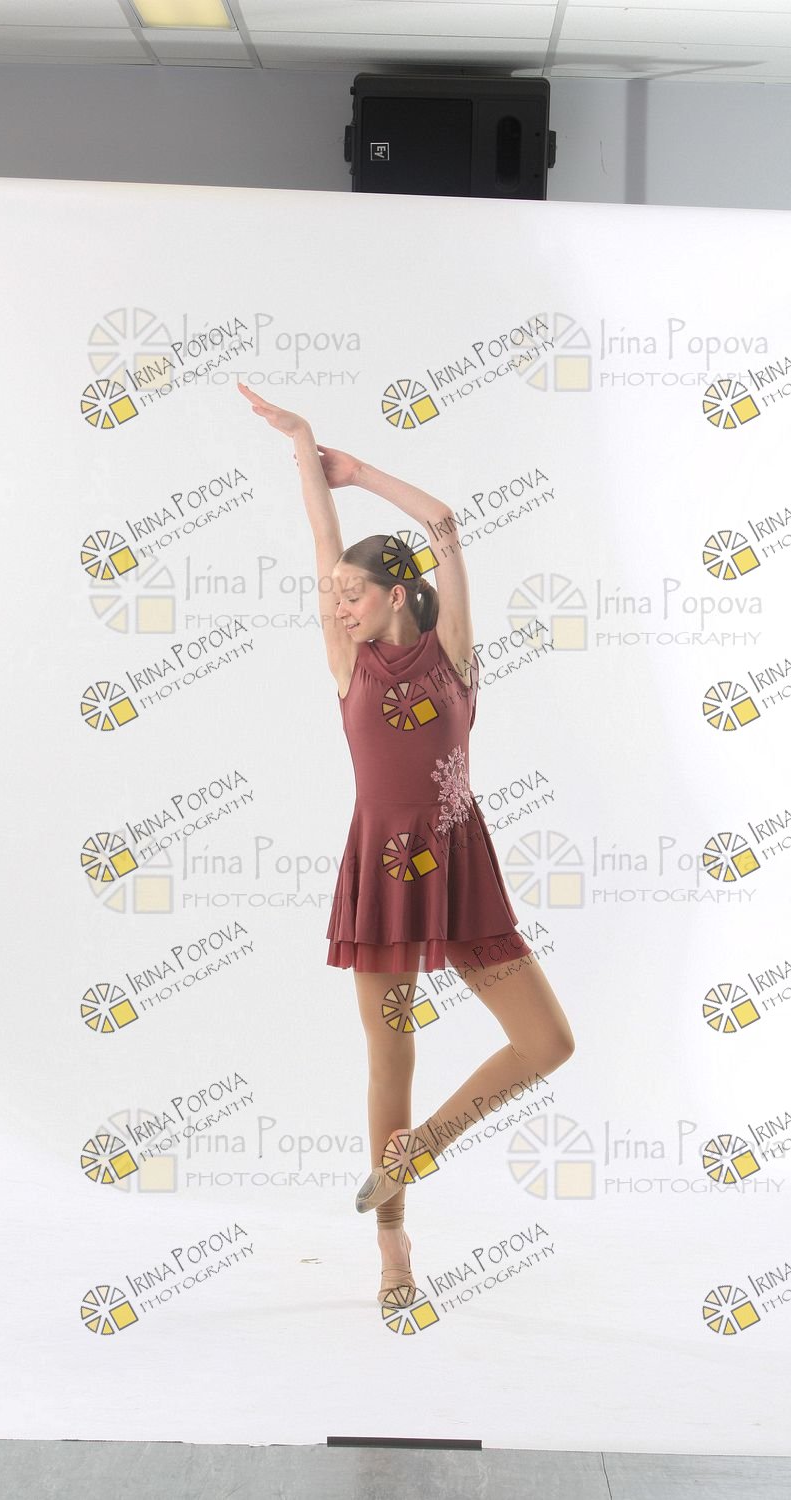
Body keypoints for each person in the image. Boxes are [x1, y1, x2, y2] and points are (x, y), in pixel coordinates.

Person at [238, 382, 575, 1306]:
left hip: (462, 866)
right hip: (382, 872)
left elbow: (444, 524)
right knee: (391, 1058)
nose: (338, 604)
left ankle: (420, 1148)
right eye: (335, 596)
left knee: (548, 1041)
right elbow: (321, 538)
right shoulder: (347, 661)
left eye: (354, 593)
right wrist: (305, 447)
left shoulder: (454, 653)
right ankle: (393, 1248)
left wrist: (361, 473)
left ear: (396, 594)